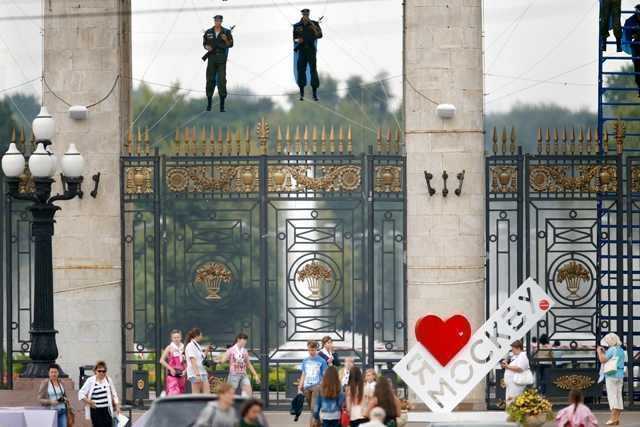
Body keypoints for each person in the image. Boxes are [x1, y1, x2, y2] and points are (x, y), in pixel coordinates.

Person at [202, 15, 234, 112]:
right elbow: (204, 43)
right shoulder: (208, 32)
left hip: (221, 58)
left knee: (221, 80)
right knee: (210, 79)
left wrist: (225, 40)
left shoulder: (226, 32)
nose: (217, 22)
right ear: (214, 21)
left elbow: (231, 44)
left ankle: (222, 105)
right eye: (216, 20)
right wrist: (207, 47)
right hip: (211, 57)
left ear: (221, 21)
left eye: (219, 21)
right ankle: (209, 103)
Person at [78, 361, 120, 427]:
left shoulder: (108, 380)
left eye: (104, 371)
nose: (101, 373)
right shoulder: (90, 380)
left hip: (107, 410)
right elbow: (81, 393)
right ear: (95, 371)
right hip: (96, 410)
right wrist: (89, 402)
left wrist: (117, 406)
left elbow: (114, 394)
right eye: (99, 371)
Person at [218, 332, 261, 396]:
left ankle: (244, 404)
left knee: (248, 392)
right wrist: (219, 361)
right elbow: (223, 360)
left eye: (246, 340)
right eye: (244, 340)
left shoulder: (245, 351)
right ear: (238, 339)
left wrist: (256, 375)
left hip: (243, 374)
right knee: (229, 393)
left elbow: (248, 364)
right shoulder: (231, 350)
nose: (245, 342)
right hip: (234, 374)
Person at [293, 8, 322, 101]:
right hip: (302, 50)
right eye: (304, 15)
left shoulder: (314, 24)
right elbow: (294, 39)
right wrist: (299, 40)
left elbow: (320, 35)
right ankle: (301, 93)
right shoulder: (297, 26)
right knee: (301, 71)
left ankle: (314, 93)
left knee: (313, 70)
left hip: (311, 50)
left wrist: (315, 28)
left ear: (308, 15)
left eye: (307, 15)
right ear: (302, 15)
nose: (306, 16)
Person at [298, 340, 329, 427]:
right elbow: (303, 373)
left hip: (317, 386)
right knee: (313, 409)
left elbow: (325, 375)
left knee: (313, 408)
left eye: (313, 350)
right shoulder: (305, 361)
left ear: (316, 349)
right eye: (309, 350)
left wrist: (322, 385)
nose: (311, 352)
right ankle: (319, 424)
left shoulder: (322, 361)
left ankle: (312, 425)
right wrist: (300, 386)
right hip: (306, 387)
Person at [598, 333, 625, 425]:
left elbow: (602, 360)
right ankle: (617, 418)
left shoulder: (611, 349)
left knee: (612, 397)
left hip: (611, 375)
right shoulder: (620, 350)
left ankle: (613, 419)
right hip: (620, 375)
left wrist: (599, 352)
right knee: (618, 396)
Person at [185, 327, 214, 394]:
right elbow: (193, 360)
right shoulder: (190, 345)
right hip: (195, 373)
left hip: (202, 372)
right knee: (196, 394)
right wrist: (197, 374)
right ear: (197, 336)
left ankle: (204, 404)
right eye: (201, 335)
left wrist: (207, 350)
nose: (202, 337)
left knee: (206, 393)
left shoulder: (197, 345)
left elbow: (201, 358)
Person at [160, 329, 186, 395]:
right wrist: (170, 369)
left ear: (181, 338)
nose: (176, 339)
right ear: (171, 338)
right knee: (174, 391)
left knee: (181, 391)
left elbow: (187, 361)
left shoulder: (184, 348)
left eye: (178, 337)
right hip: (172, 374)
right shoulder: (169, 347)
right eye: (174, 337)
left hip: (181, 373)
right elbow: (161, 360)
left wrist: (185, 371)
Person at [623, 5, 640, 97]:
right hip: (636, 47)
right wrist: (634, 34)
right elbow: (627, 38)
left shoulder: (630, 21)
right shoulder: (630, 21)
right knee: (637, 69)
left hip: (636, 46)